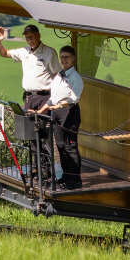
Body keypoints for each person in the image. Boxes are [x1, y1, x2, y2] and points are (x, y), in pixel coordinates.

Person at [36, 45, 84, 188]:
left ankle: (75, 180)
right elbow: (53, 98)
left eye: (67, 57)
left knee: (70, 146)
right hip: (56, 113)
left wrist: (59, 106)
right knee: (61, 146)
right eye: (62, 57)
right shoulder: (58, 76)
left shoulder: (75, 78)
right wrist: (41, 110)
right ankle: (65, 176)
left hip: (69, 112)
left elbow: (74, 98)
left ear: (73, 58)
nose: (64, 60)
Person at [0, 24, 59, 113]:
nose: (29, 40)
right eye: (27, 37)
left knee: (44, 122)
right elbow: (4, 53)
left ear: (38, 35)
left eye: (31, 36)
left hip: (45, 98)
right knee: (28, 122)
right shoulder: (24, 51)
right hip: (29, 98)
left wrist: (54, 97)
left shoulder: (49, 52)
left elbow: (57, 76)